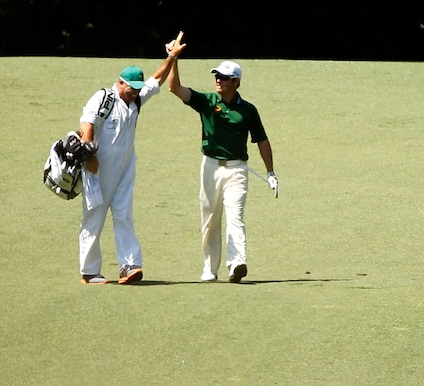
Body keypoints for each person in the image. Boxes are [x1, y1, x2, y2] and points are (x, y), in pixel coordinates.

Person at [76, 31, 186, 285]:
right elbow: (87, 125)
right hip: (97, 167)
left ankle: (130, 266)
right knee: (95, 215)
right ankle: (89, 271)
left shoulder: (135, 99)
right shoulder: (103, 98)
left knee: (124, 214)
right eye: (131, 88)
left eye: (138, 89)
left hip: (125, 167)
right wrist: (89, 154)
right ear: (121, 83)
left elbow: (156, 79)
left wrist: (171, 57)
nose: (135, 92)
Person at [166, 38, 276, 283]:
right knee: (210, 219)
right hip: (210, 167)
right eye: (217, 76)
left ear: (236, 82)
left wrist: (270, 172)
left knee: (235, 216)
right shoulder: (207, 101)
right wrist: (173, 59)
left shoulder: (248, 110)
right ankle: (210, 268)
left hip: (237, 170)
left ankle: (237, 263)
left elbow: (262, 140)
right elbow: (174, 88)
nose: (218, 80)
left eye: (224, 78)